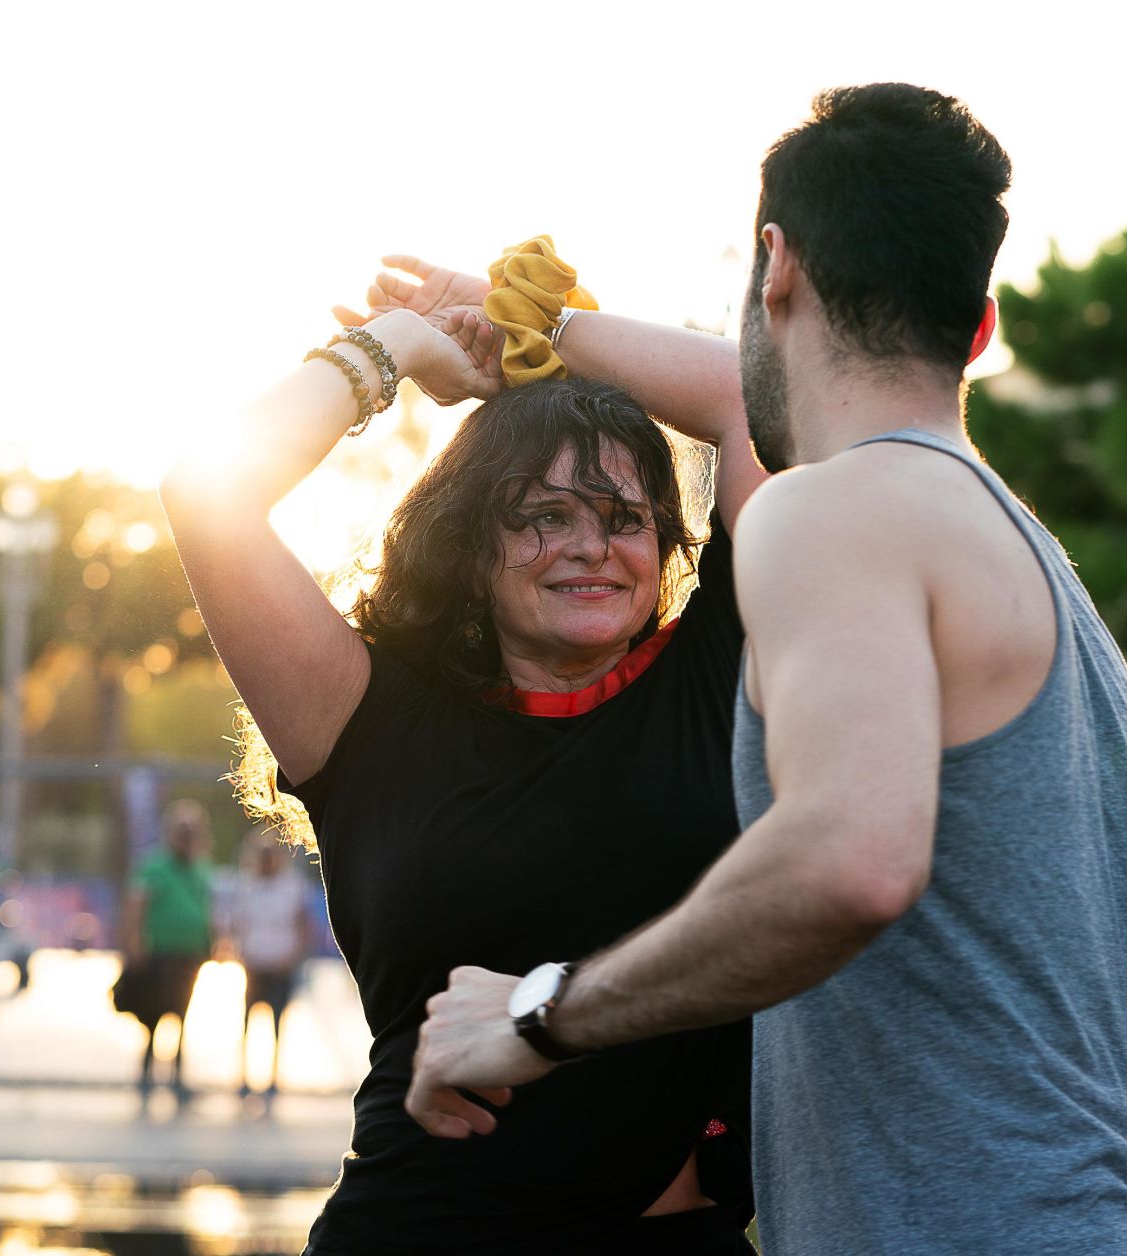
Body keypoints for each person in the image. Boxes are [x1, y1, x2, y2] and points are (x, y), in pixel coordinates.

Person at [406, 84, 1127, 1254]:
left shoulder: (832, 515)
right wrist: (529, 328)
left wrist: (535, 1012)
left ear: (775, 265)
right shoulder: (1006, 540)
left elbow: (849, 862)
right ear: (981, 329)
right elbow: (741, 401)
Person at [163, 240, 767, 1253]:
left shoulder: (714, 671)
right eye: (543, 515)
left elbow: (758, 402)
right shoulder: (366, 715)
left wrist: (543, 325)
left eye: (625, 518)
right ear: (469, 545)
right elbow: (206, 495)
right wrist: (403, 344)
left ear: (665, 540)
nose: (589, 545)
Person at [123, 798, 216, 1102]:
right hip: (160, 952)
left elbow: (207, 909)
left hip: (190, 954)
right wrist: (134, 945)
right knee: (154, 1015)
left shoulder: (201, 868)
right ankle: (147, 1074)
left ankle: (177, 1076)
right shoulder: (155, 866)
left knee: (183, 1014)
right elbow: (136, 907)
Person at [219, 828, 314, 1101]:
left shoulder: (293, 886)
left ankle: (272, 1078)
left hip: (280, 964)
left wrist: (294, 956)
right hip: (253, 964)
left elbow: (303, 925)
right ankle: (244, 1077)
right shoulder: (246, 885)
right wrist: (234, 952)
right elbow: (235, 923)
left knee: (276, 1024)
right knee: (247, 1023)